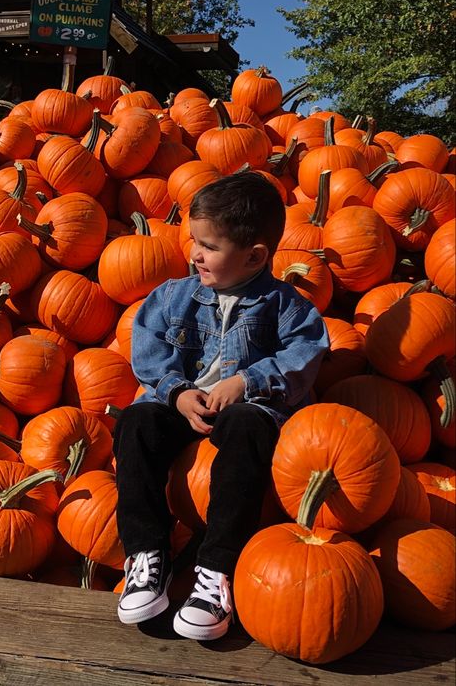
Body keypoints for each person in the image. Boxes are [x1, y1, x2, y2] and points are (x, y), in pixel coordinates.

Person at [113, 171, 329, 641]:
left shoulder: (285, 305)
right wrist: (175, 390)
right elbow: (146, 344)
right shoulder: (172, 295)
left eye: (208, 246)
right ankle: (147, 555)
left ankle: (217, 570)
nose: (195, 254)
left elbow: (306, 354)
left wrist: (248, 380)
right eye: (194, 241)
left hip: (250, 409)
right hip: (185, 401)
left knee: (248, 425)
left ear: (255, 256)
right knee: (136, 421)